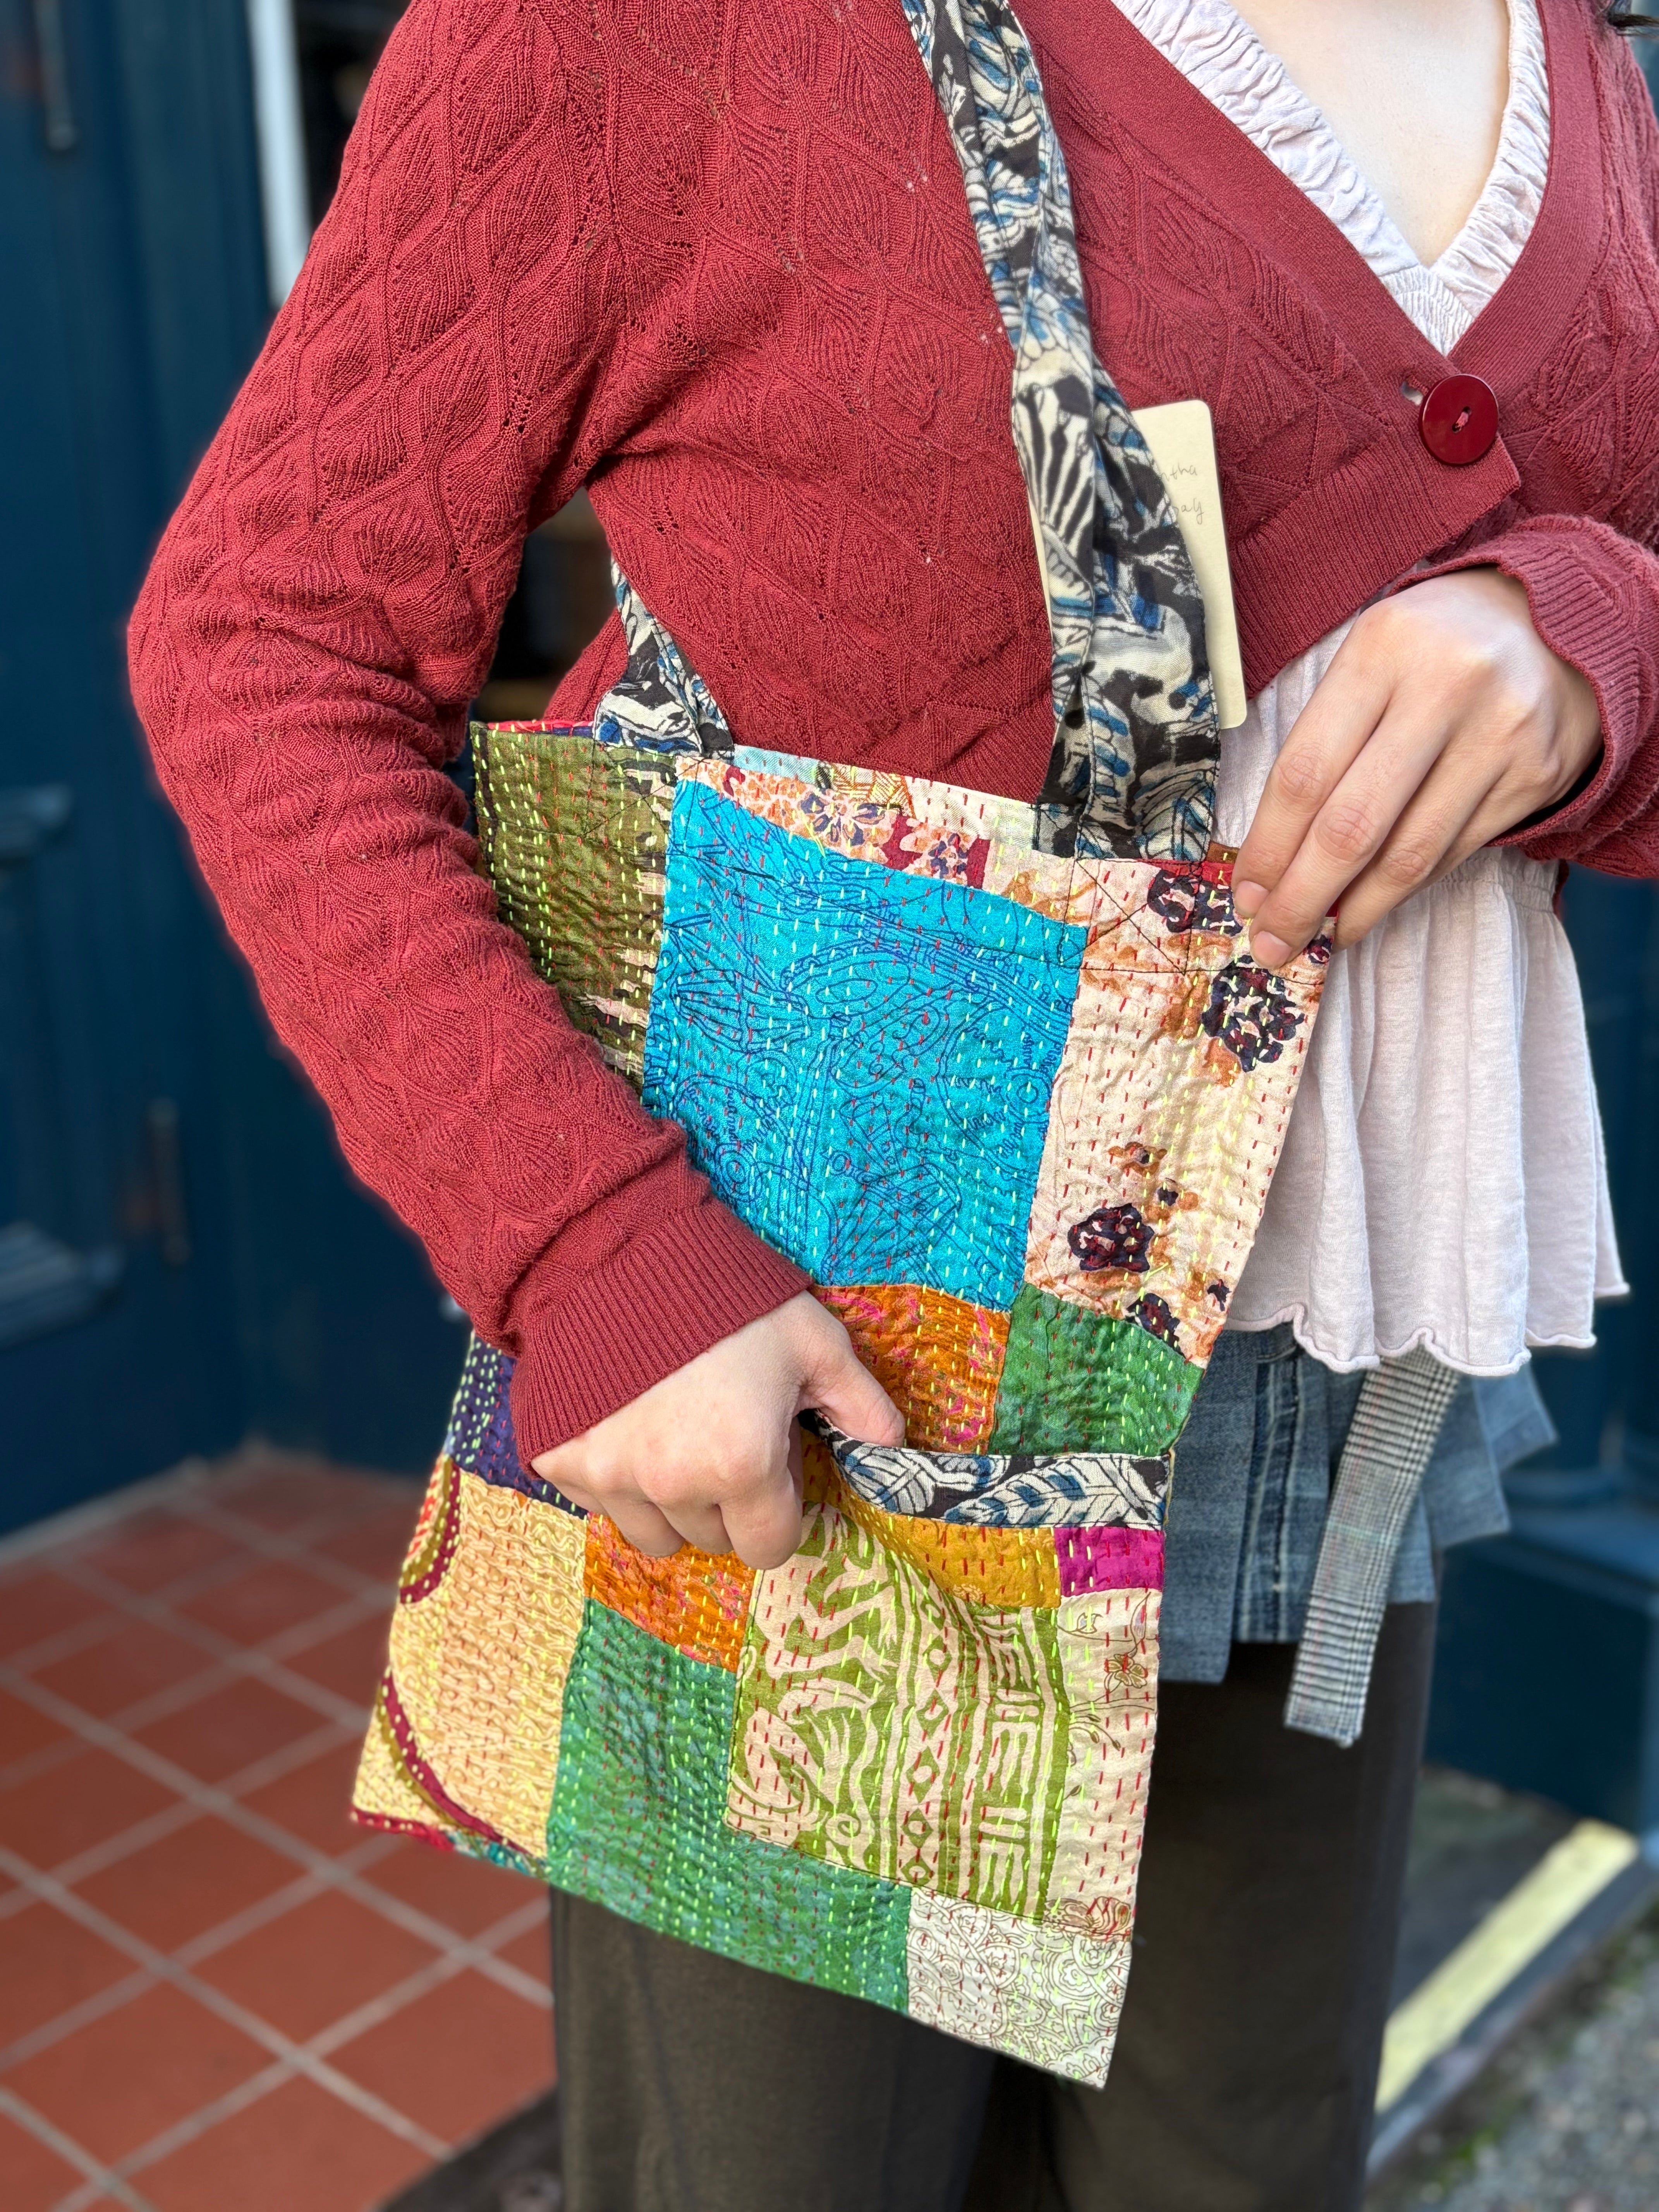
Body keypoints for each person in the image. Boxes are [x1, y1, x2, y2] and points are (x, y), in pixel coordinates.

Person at [129, 0, 1659, 2204]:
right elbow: (266, 632)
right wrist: (588, 1246)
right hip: (832, 1391)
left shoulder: (1573, 52)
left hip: (1337, 1362)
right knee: (790, 2169)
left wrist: (1590, 629)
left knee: (1244, 2154)